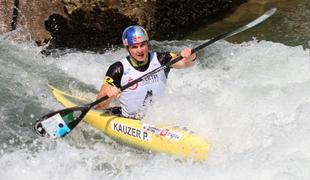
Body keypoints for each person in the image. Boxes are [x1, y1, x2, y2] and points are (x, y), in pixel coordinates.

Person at [96, 25, 196, 118]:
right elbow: (100, 105)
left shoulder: (161, 59)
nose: (140, 50)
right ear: (127, 49)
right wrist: (108, 96)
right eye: (134, 47)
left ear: (147, 44)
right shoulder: (117, 69)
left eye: (142, 45)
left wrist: (191, 56)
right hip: (129, 120)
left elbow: (186, 63)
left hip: (157, 119)